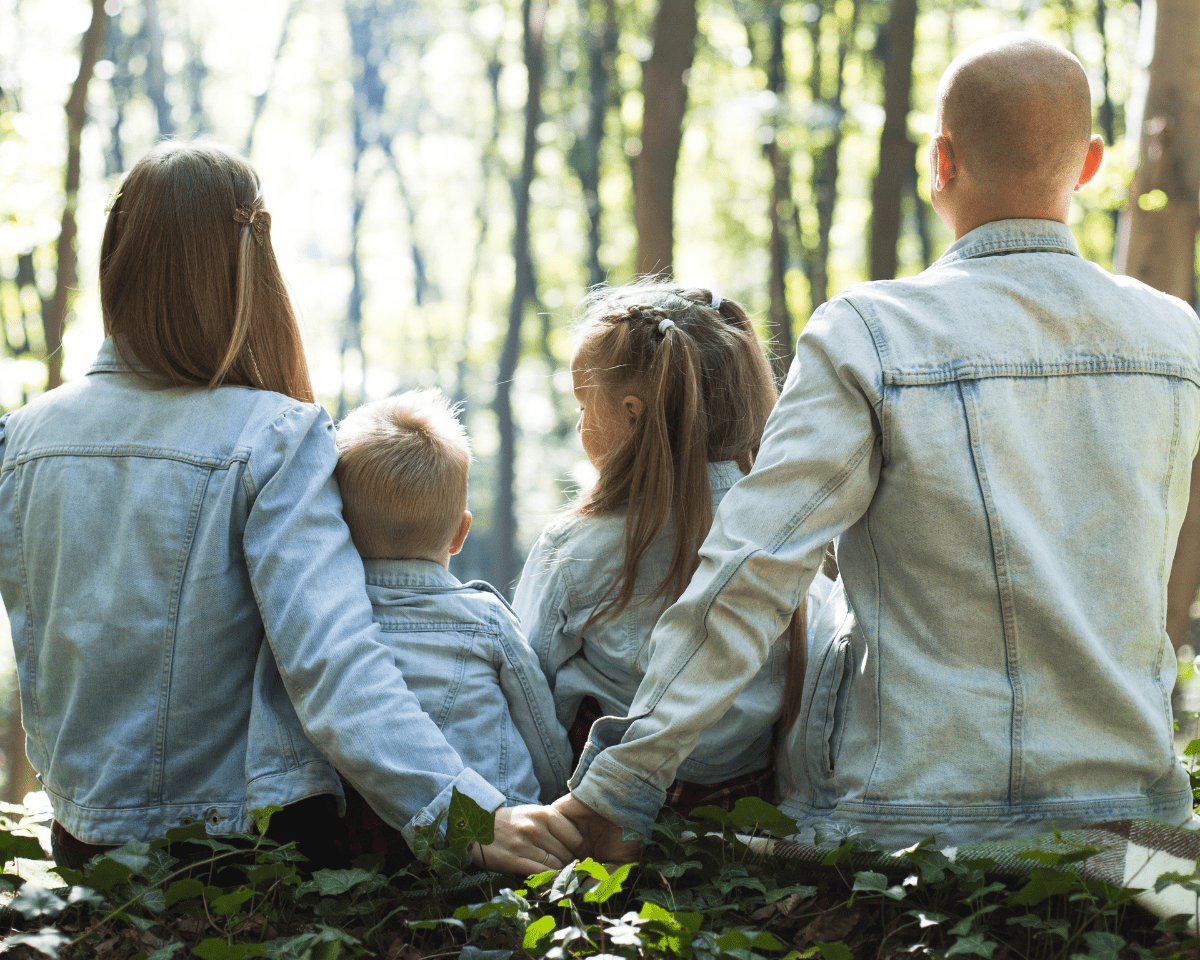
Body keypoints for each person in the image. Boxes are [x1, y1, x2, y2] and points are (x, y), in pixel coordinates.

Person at [555, 34, 1200, 855]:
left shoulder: (871, 333)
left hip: (908, 820)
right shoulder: (1175, 338)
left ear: (941, 161)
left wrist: (620, 787)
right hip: (1136, 824)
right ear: (1090, 165)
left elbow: (753, 570)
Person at [0, 141, 580, 874]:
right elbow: (333, 662)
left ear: (116, 255)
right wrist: (465, 815)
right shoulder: (274, 436)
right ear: (249, 266)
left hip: (84, 843)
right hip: (236, 849)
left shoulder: (19, 439)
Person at [513, 284, 836, 816]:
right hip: (743, 809)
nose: (578, 426)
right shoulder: (786, 540)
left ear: (633, 413)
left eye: (582, 405)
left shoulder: (577, 547)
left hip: (600, 811)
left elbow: (527, 685)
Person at [334, 389, 572, 808]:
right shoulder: (486, 620)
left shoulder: (326, 623)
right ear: (461, 534)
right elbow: (542, 734)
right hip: (498, 830)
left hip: (369, 839)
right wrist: (555, 800)